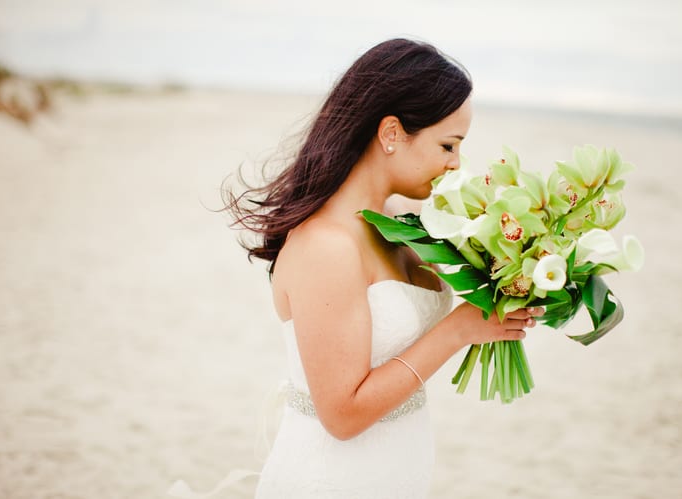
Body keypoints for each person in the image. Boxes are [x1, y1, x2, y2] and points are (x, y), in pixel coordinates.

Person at [224, 38, 541, 498]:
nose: (456, 165)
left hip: (396, 475)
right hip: (332, 482)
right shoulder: (326, 246)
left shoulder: (403, 226)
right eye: (448, 145)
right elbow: (343, 415)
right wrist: (458, 331)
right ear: (391, 133)